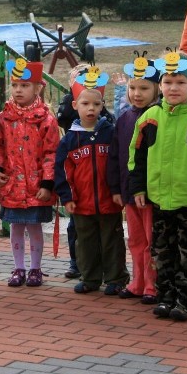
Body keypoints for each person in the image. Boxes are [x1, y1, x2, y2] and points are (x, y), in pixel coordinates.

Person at [128, 52, 187, 322]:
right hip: (159, 200)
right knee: (161, 253)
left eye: (180, 82)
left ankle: (186, 302)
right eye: (168, 82)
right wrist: (138, 189)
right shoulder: (149, 117)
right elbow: (136, 156)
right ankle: (165, 297)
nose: (173, 88)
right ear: (160, 85)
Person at [56, 71, 128, 295]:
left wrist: (117, 191)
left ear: (102, 105)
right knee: (85, 243)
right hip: (82, 203)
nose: (91, 109)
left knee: (112, 241)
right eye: (85, 103)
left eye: (96, 104)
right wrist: (67, 197)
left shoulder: (111, 133)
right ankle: (90, 278)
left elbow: (117, 163)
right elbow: (63, 170)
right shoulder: (70, 138)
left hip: (109, 201)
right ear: (75, 104)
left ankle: (116, 278)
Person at [0, 59, 60, 288]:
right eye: (15, 85)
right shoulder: (4, 117)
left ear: (38, 87)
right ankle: (18, 267)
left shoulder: (46, 119)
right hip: (12, 184)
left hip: (36, 186)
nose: (18, 90)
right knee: (16, 227)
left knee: (34, 227)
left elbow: (52, 153)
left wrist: (47, 182)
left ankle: (35, 268)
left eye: (25, 85)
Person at [108, 52, 160, 304]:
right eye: (132, 87)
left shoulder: (158, 117)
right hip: (129, 193)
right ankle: (137, 281)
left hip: (149, 194)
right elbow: (116, 156)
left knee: (152, 240)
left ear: (156, 89)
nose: (137, 93)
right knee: (136, 239)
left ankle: (152, 283)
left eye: (144, 88)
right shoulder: (125, 118)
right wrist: (116, 188)